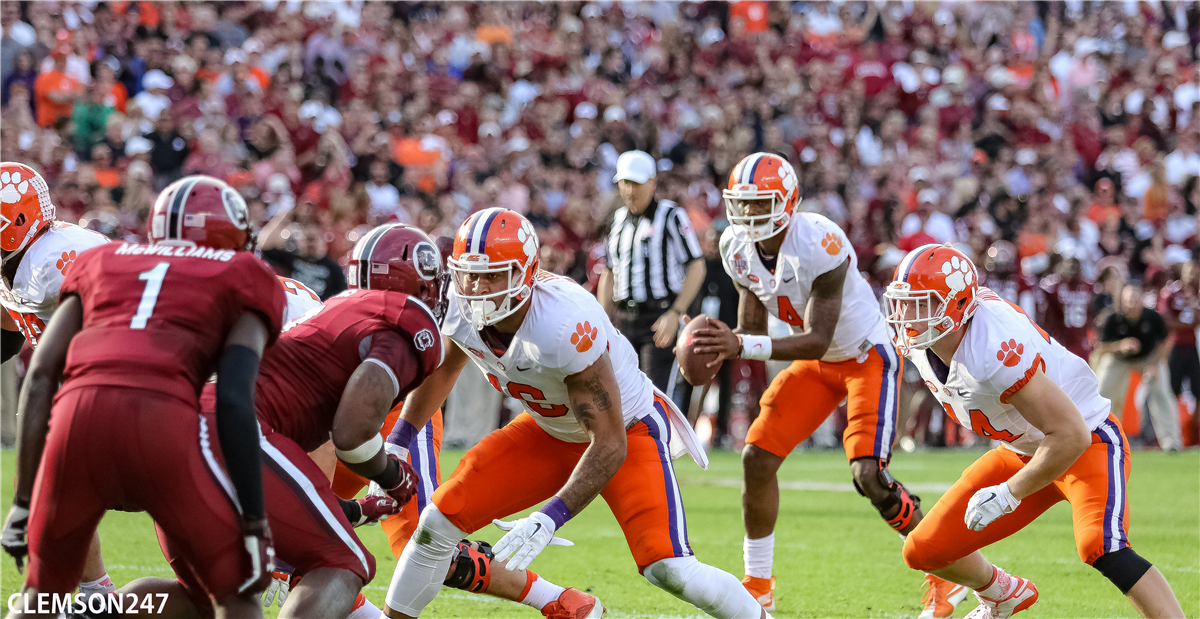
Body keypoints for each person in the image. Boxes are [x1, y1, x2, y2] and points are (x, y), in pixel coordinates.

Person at [383, 208, 768, 619]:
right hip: (548, 429)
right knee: (436, 524)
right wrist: (398, 441)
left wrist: (551, 517)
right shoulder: (458, 303)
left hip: (626, 430)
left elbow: (609, 442)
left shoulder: (564, 323)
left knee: (670, 569)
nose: (478, 288)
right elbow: (446, 368)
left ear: (526, 273)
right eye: (470, 274)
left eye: (493, 275)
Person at [116, 186, 413, 619]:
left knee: (202, 597)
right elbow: (326, 438)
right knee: (337, 561)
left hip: (152, 445)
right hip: (224, 435)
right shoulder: (282, 300)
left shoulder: (146, 284)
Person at [1, 175, 284, 618]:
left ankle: (97, 599)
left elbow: (39, 377)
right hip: (163, 410)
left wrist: (23, 503)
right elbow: (232, 397)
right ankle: (99, 596)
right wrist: (254, 519)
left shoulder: (73, 262)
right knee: (230, 587)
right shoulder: (245, 275)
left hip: (85, 409)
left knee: (42, 591)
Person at [689, 153, 949, 616]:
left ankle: (944, 572)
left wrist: (737, 345)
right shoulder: (734, 246)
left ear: (787, 203)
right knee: (756, 456)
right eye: (742, 205)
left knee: (869, 476)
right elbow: (752, 331)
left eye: (760, 204)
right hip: (819, 361)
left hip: (863, 355)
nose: (749, 216)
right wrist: (719, 343)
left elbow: (816, 338)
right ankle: (758, 584)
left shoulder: (820, 242)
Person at [884, 243, 1185, 619]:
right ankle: (1001, 594)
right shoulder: (921, 339)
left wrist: (1010, 493)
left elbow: (1070, 434)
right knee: (922, 550)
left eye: (920, 303)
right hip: (1022, 448)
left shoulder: (993, 347)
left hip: (1086, 441)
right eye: (903, 301)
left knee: (1102, 546)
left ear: (958, 306)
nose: (905, 314)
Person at [0, 162, 114, 600]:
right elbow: (9, 330)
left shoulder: (52, 261)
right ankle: (94, 594)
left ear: (19, 220)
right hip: (91, 379)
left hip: (126, 375)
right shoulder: (23, 259)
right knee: (55, 491)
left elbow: (118, 311)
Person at [598, 150, 705, 395]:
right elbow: (610, 272)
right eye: (625, 183)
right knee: (621, 396)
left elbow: (697, 265)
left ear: (652, 183)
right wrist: (602, 320)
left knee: (653, 397)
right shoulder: (618, 220)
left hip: (658, 317)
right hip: (624, 321)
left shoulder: (671, 216)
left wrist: (675, 312)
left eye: (636, 183)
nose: (629, 190)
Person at [1094, 284, 1183, 450]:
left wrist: (1155, 364)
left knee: (1162, 393)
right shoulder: (1112, 318)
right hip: (1117, 358)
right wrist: (1120, 346)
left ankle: (1172, 442)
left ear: (1141, 301)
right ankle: (1101, 439)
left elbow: (1166, 341)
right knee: (1103, 392)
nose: (1131, 304)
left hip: (1148, 358)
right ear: (1122, 302)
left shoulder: (1153, 317)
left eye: (1135, 300)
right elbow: (1100, 347)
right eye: (1128, 301)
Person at [1157, 262, 1199, 445]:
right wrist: (1187, 325)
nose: (1192, 276)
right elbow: (1166, 318)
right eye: (1189, 272)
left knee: (1198, 392)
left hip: (1194, 347)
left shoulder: (1197, 294)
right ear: (1182, 272)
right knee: (1171, 391)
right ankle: (1172, 433)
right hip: (1175, 346)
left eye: (1195, 272)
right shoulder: (1172, 291)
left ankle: (1194, 435)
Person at [1037, 256, 1093, 360]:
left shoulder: (1053, 286)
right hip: (1061, 339)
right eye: (1069, 265)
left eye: (1074, 266)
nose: (1072, 268)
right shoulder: (1053, 286)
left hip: (1078, 340)